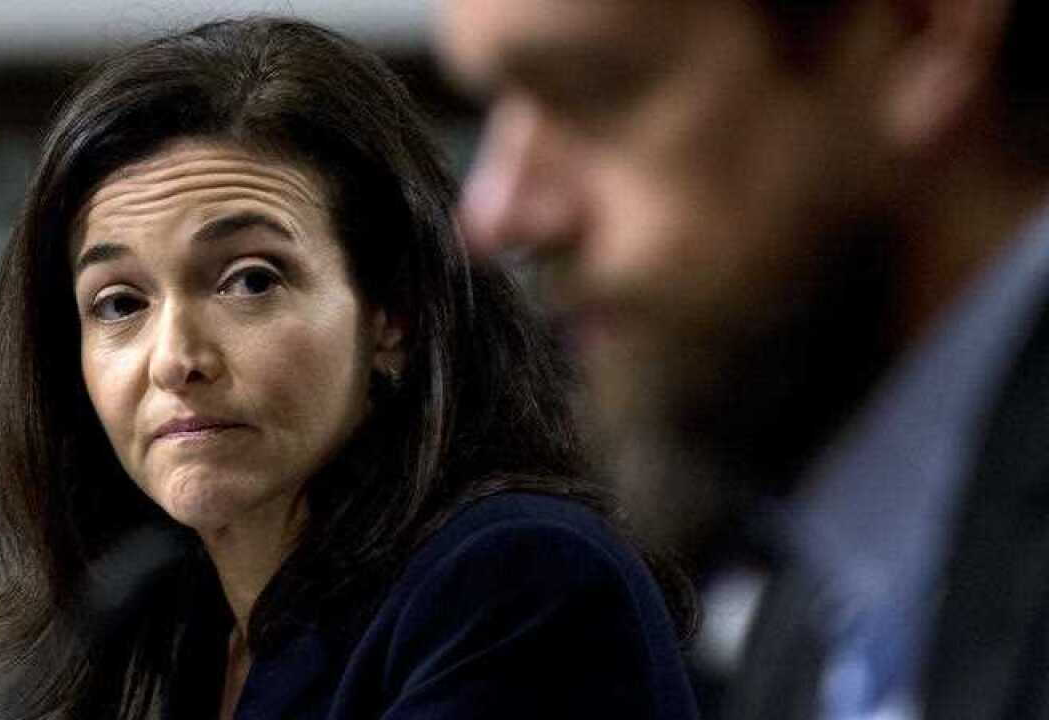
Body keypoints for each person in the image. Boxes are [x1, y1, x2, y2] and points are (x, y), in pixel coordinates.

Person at [0, 17, 698, 720]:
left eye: (250, 281)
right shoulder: (192, 625)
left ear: (393, 318)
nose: (176, 360)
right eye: (120, 302)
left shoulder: (518, 577)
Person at [433, 0, 1049, 718]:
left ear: (919, 37)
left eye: (594, 92)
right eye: (493, 110)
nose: (495, 213)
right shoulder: (823, 604)